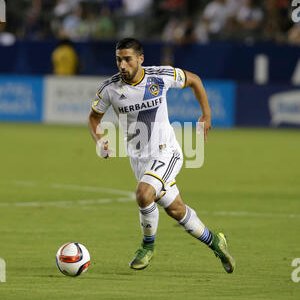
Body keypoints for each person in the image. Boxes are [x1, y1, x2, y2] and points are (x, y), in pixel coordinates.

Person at [88, 37, 235, 273]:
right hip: (139, 159)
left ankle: (147, 247)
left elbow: (194, 80)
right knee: (176, 210)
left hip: (168, 152)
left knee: (143, 194)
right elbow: (94, 118)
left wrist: (206, 114)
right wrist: (100, 141)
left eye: (127, 59)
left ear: (140, 59)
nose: (122, 65)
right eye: (118, 60)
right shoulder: (109, 89)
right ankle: (217, 243)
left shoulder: (160, 75)